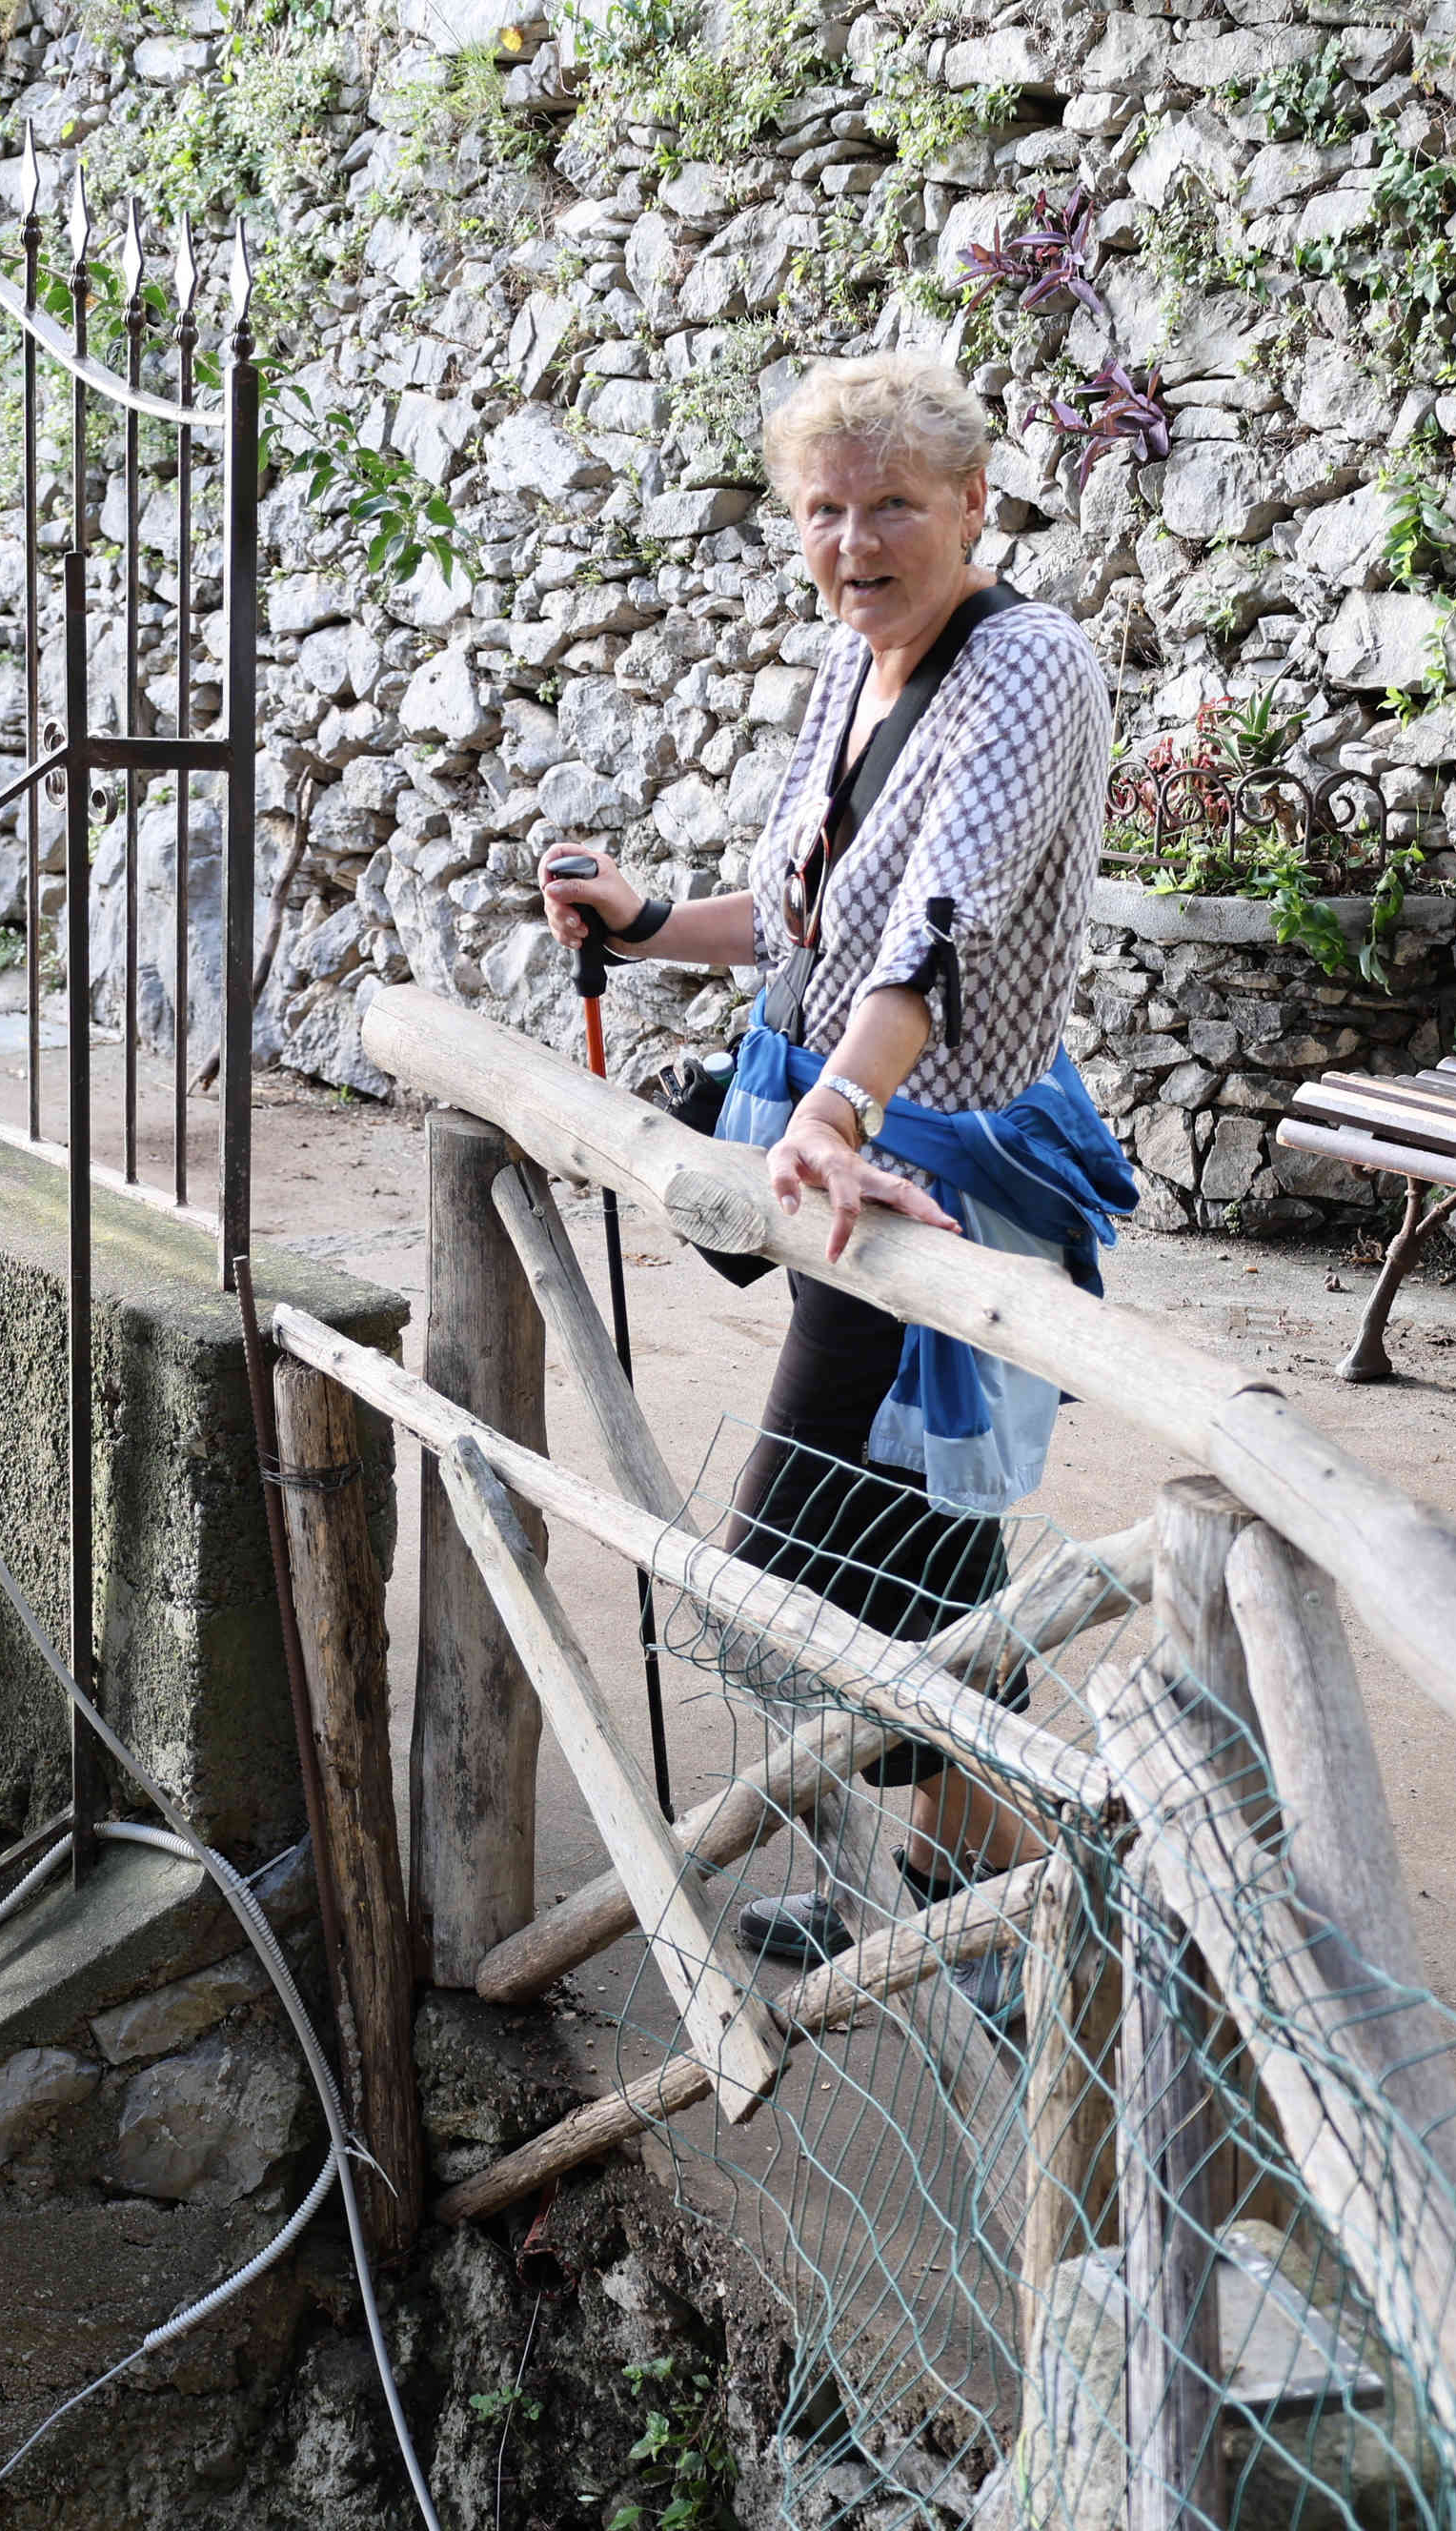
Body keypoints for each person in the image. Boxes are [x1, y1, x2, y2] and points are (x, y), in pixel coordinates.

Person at [536, 352, 1135, 2009]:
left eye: (891, 507)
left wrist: (845, 1114)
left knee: (804, 1564)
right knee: (921, 1557)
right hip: (847, 1148)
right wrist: (655, 926)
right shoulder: (857, 663)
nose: (855, 541)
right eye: (824, 510)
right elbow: (809, 921)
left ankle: (1037, 1885)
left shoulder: (1028, 669)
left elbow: (943, 921)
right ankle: (970, 1879)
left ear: (973, 508)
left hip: (927, 1163)